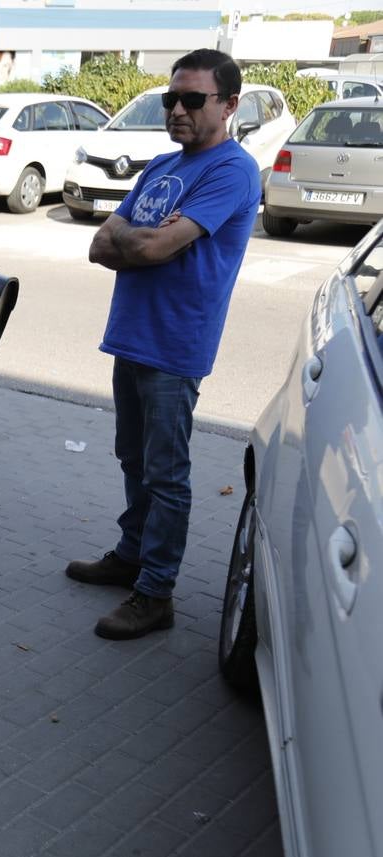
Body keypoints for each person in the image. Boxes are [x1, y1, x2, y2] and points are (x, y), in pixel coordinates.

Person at [68, 48, 260, 640]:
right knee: (133, 457)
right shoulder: (159, 166)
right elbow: (100, 244)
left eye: (193, 100)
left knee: (166, 472)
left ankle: (156, 593)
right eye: (170, 98)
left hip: (175, 346)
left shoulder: (231, 170)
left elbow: (149, 249)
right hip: (132, 335)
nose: (177, 109)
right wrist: (138, 238)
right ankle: (131, 555)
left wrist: (138, 239)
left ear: (227, 105)